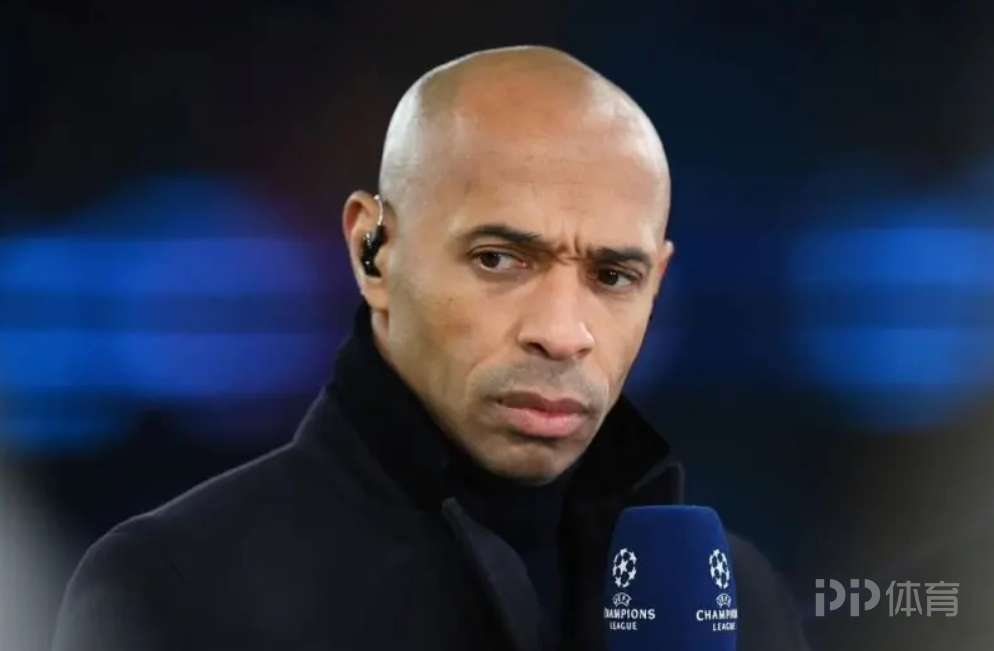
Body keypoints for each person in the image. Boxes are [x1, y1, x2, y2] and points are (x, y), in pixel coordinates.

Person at [52, 45, 808, 651]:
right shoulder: (177, 587)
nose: (562, 331)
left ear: (657, 283)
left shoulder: (737, 603)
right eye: (499, 259)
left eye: (613, 276)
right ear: (373, 252)